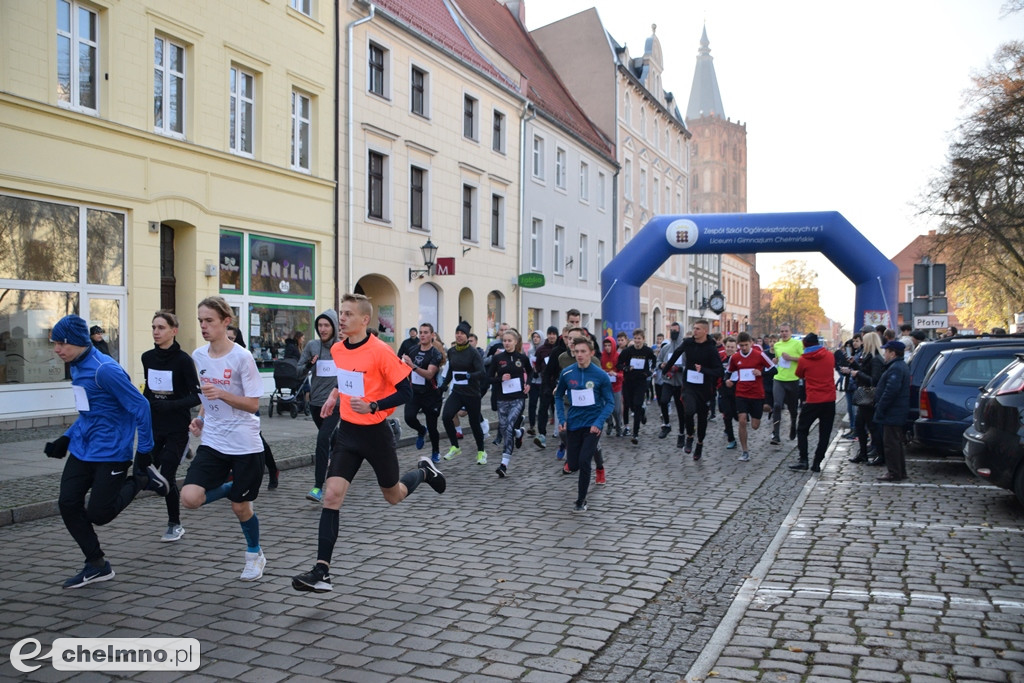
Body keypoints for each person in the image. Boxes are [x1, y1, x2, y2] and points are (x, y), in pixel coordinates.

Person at [291, 293, 445, 593]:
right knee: (332, 496)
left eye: (348, 314)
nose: (342, 319)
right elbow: (348, 377)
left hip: (376, 433)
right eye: (341, 313)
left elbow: (405, 393)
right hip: (348, 432)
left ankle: (424, 472)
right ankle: (322, 571)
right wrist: (336, 395)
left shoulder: (381, 351)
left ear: (365, 319)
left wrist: (374, 406)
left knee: (394, 495)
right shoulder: (337, 348)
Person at [49, 314, 167, 588]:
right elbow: (89, 411)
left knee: (99, 515)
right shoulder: (76, 367)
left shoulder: (105, 370)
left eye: (61, 343)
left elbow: (141, 406)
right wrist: (65, 438)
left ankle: (141, 479)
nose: (57, 349)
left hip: (112, 452)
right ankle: (97, 564)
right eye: (54, 343)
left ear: (77, 342)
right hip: (82, 450)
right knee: (68, 503)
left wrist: (144, 452)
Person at [181, 297, 269, 581]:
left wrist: (225, 395)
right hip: (214, 440)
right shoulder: (199, 356)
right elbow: (207, 396)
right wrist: (201, 418)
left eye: (209, 321)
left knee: (240, 507)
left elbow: (254, 404)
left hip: (245, 443)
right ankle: (234, 486)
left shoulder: (242, 357)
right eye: (200, 321)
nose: (204, 326)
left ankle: (254, 555)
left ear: (226, 322)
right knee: (189, 497)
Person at [142, 310, 201, 542]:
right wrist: (144, 404)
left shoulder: (184, 361)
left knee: (166, 476)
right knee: (147, 469)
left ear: (173, 331)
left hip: (177, 425)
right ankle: (183, 452)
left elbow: (196, 397)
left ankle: (174, 524)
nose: (156, 332)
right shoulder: (147, 357)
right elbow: (149, 389)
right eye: (154, 327)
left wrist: (171, 406)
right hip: (154, 425)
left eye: (161, 328)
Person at [554, 337, 614, 512]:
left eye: (583, 352)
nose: (579, 355)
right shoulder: (567, 373)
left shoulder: (600, 375)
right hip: (573, 424)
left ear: (591, 353)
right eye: (576, 351)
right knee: (573, 465)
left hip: (592, 425)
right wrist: (561, 418)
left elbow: (609, 402)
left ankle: (581, 500)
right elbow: (558, 396)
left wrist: (599, 422)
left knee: (584, 461)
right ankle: (572, 460)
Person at [663, 319, 724, 460]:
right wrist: (665, 370)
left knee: (702, 419)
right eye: (694, 328)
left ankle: (700, 444)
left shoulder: (711, 348)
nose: (694, 331)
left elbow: (719, 371)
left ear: (705, 331)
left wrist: (703, 370)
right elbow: (676, 354)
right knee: (689, 411)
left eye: (697, 329)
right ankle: (689, 435)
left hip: (705, 388)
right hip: (689, 384)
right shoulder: (688, 343)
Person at [297, 309, 341, 502]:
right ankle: (342, 449)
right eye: (320, 325)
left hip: (336, 403)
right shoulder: (312, 346)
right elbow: (298, 372)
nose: (323, 329)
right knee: (331, 437)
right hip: (315, 403)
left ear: (334, 327)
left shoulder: (342, 347)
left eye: (326, 325)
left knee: (322, 439)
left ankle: (317, 487)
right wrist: (307, 364)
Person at [227, 325, 279, 488]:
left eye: (232, 338)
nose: (228, 341)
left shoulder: (243, 357)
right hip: (228, 406)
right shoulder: (219, 355)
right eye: (226, 337)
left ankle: (272, 468)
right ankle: (233, 474)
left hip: (246, 404)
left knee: (256, 440)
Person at [440, 321, 487, 463]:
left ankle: (481, 451)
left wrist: (468, 376)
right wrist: (443, 386)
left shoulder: (473, 352)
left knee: (474, 423)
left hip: (472, 393)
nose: (459, 336)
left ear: (467, 336)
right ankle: (455, 447)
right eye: (457, 333)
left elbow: (482, 372)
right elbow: (450, 372)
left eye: (462, 333)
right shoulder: (452, 351)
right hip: (457, 392)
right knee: (446, 416)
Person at [790, 333, 836, 472]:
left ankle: (803, 460)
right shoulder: (829, 356)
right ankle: (817, 462)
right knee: (825, 433)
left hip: (813, 400)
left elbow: (799, 374)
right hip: (829, 400)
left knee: (802, 430)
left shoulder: (804, 359)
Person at [488, 328, 531, 477]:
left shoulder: (522, 358)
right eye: (504, 341)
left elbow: (531, 372)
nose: (506, 343)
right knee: (504, 427)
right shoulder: (497, 358)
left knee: (508, 429)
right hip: (502, 399)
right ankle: (519, 433)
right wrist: (500, 379)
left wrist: (528, 383)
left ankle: (503, 465)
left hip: (518, 398)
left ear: (516, 342)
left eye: (509, 341)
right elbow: (488, 377)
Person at [726, 332, 774, 462]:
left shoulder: (759, 355)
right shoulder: (735, 357)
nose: (743, 348)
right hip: (741, 393)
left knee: (755, 426)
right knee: (742, 420)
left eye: (746, 345)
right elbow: (729, 372)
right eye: (741, 346)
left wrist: (761, 372)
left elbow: (774, 369)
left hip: (757, 394)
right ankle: (745, 451)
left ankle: (769, 409)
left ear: (751, 343)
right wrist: (728, 381)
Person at [402, 322, 444, 464]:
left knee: (432, 426)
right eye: (421, 332)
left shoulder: (435, 354)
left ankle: (435, 451)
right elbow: (404, 367)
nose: (422, 335)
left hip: (430, 394)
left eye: (426, 332)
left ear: (432, 335)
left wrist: (412, 366)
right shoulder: (413, 350)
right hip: (415, 392)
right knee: (408, 418)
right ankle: (421, 430)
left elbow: (429, 374)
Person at [873, 340, 911, 481]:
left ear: (893, 353)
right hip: (896, 410)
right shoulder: (899, 365)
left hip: (893, 410)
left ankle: (894, 472)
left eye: (887, 351)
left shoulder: (896, 368)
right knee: (896, 442)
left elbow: (891, 390)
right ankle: (900, 471)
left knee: (890, 443)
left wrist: (881, 407)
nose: (885, 354)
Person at [847, 331, 885, 465]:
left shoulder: (875, 359)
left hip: (869, 395)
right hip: (866, 394)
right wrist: (855, 367)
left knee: (870, 426)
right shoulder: (871, 357)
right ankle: (863, 453)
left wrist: (858, 373)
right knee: (861, 425)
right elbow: (866, 372)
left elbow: (874, 380)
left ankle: (878, 454)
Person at [617, 329, 657, 445]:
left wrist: (649, 372)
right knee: (630, 405)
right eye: (635, 338)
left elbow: (653, 362)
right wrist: (626, 368)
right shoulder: (628, 351)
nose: (637, 341)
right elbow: (619, 364)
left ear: (643, 339)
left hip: (641, 382)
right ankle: (642, 412)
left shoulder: (648, 351)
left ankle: (635, 434)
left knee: (637, 404)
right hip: (628, 381)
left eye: (639, 338)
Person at [770, 323, 803, 446]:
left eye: (786, 331)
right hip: (779, 379)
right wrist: (776, 361)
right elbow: (778, 359)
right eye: (782, 331)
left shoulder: (797, 344)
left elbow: (804, 358)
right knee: (777, 405)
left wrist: (791, 358)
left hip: (793, 379)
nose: (784, 333)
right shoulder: (777, 345)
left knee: (792, 408)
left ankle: (793, 424)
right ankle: (776, 434)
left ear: (790, 332)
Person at [656, 322, 686, 444]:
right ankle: (666, 424)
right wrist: (661, 365)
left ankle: (681, 433)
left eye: (676, 331)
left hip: (680, 383)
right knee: (663, 401)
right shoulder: (665, 348)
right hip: (667, 381)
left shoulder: (685, 349)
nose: (674, 333)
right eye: (672, 330)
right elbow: (658, 361)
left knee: (680, 409)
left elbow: (690, 366)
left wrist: (678, 368)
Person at [532, 326, 559, 444]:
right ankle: (542, 433)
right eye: (550, 333)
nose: (552, 336)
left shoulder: (560, 349)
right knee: (543, 408)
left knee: (557, 408)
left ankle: (558, 431)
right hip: (546, 382)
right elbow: (536, 365)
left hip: (558, 382)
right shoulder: (541, 349)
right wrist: (537, 370)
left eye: (554, 334)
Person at [599, 336, 623, 437]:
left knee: (616, 410)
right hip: (605, 387)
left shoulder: (618, 357)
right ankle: (609, 423)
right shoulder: (601, 357)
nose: (607, 347)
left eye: (609, 345)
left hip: (616, 386)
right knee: (605, 408)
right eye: (605, 346)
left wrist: (616, 374)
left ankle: (618, 426)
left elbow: (622, 373)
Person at [526, 331, 544, 436]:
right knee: (532, 404)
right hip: (533, 380)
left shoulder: (544, 350)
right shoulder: (530, 351)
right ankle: (532, 426)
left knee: (542, 405)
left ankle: (542, 426)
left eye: (538, 337)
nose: (535, 339)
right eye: (534, 337)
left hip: (542, 381)